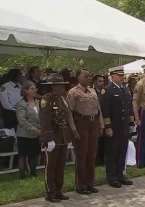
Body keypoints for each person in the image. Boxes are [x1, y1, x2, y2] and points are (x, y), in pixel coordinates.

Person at [39, 73, 79, 202]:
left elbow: (66, 117)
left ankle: (58, 190)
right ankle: (50, 192)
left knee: (60, 165)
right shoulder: (46, 99)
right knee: (51, 166)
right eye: (61, 85)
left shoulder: (62, 98)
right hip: (53, 137)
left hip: (62, 137)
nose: (63, 88)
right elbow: (45, 120)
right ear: (54, 86)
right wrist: (49, 138)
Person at [67, 69, 104, 194]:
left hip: (93, 123)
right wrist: (73, 129)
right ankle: (81, 185)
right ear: (78, 77)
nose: (88, 78)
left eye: (89, 76)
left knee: (92, 155)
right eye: (85, 76)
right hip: (81, 124)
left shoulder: (93, 91)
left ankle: (90, 183)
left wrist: (101, 125)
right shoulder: (73, 92)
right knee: (81, 155)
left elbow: (98, 110)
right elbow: (69, 113)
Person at [101, 66, 134, 188]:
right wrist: (108, 127)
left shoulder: (125, 90)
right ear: (112, 76)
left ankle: (120, 174)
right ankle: (112, 177)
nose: (121, 78)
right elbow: (105, 110)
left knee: (122, 151)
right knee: (112, 153)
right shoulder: (107, 90)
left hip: (124, 126)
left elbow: (129, 109)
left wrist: (131, 124)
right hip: (114, 127)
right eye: (119, 76)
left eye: (122, 76)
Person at [15, 81, 41, 179]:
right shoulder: (21, 104)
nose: (35, 90)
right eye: (32, 89)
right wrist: (34, 129)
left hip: (37, 133)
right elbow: (22, 120)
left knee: (35, 154)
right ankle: (22, 174)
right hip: (25, 134)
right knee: (23, 154)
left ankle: (33, 173)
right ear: (26, 90)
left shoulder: (38, 102)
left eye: (35, 89)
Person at [92, 75, 106, 166]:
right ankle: (95, 161)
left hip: (104, 118)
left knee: (103, 141)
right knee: (95, 142)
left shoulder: (105, 91)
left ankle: (102, 160)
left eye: (103, 81)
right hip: (95, 120)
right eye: (100, 81)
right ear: (94, 82)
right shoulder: (91, 92)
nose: (102, 83)